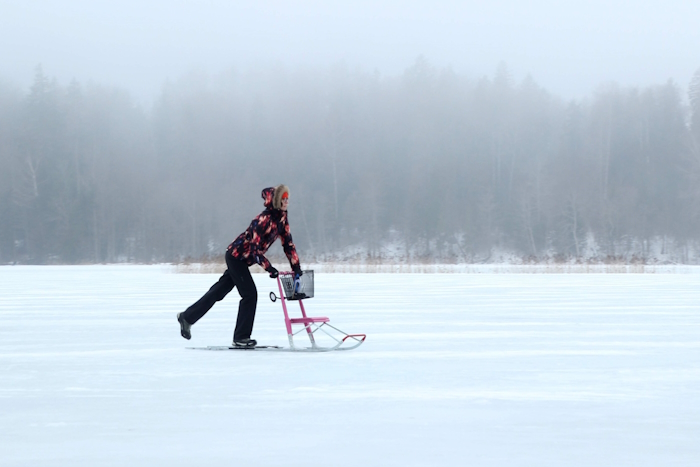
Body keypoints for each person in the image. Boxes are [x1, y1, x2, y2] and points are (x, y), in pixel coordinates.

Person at [177, 185, 302, 347]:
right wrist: (268, 267)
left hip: (244, 260)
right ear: (276, 200)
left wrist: (296, 268)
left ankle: (187, 317)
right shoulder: (263, 220)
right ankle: (241, 337)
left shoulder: (281, 219)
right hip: (236, 257)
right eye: (283, 199)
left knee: (218, 291)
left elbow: (288, 245)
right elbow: (253, 248)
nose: (286, 202)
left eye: (287, 199)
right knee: (250, 294)